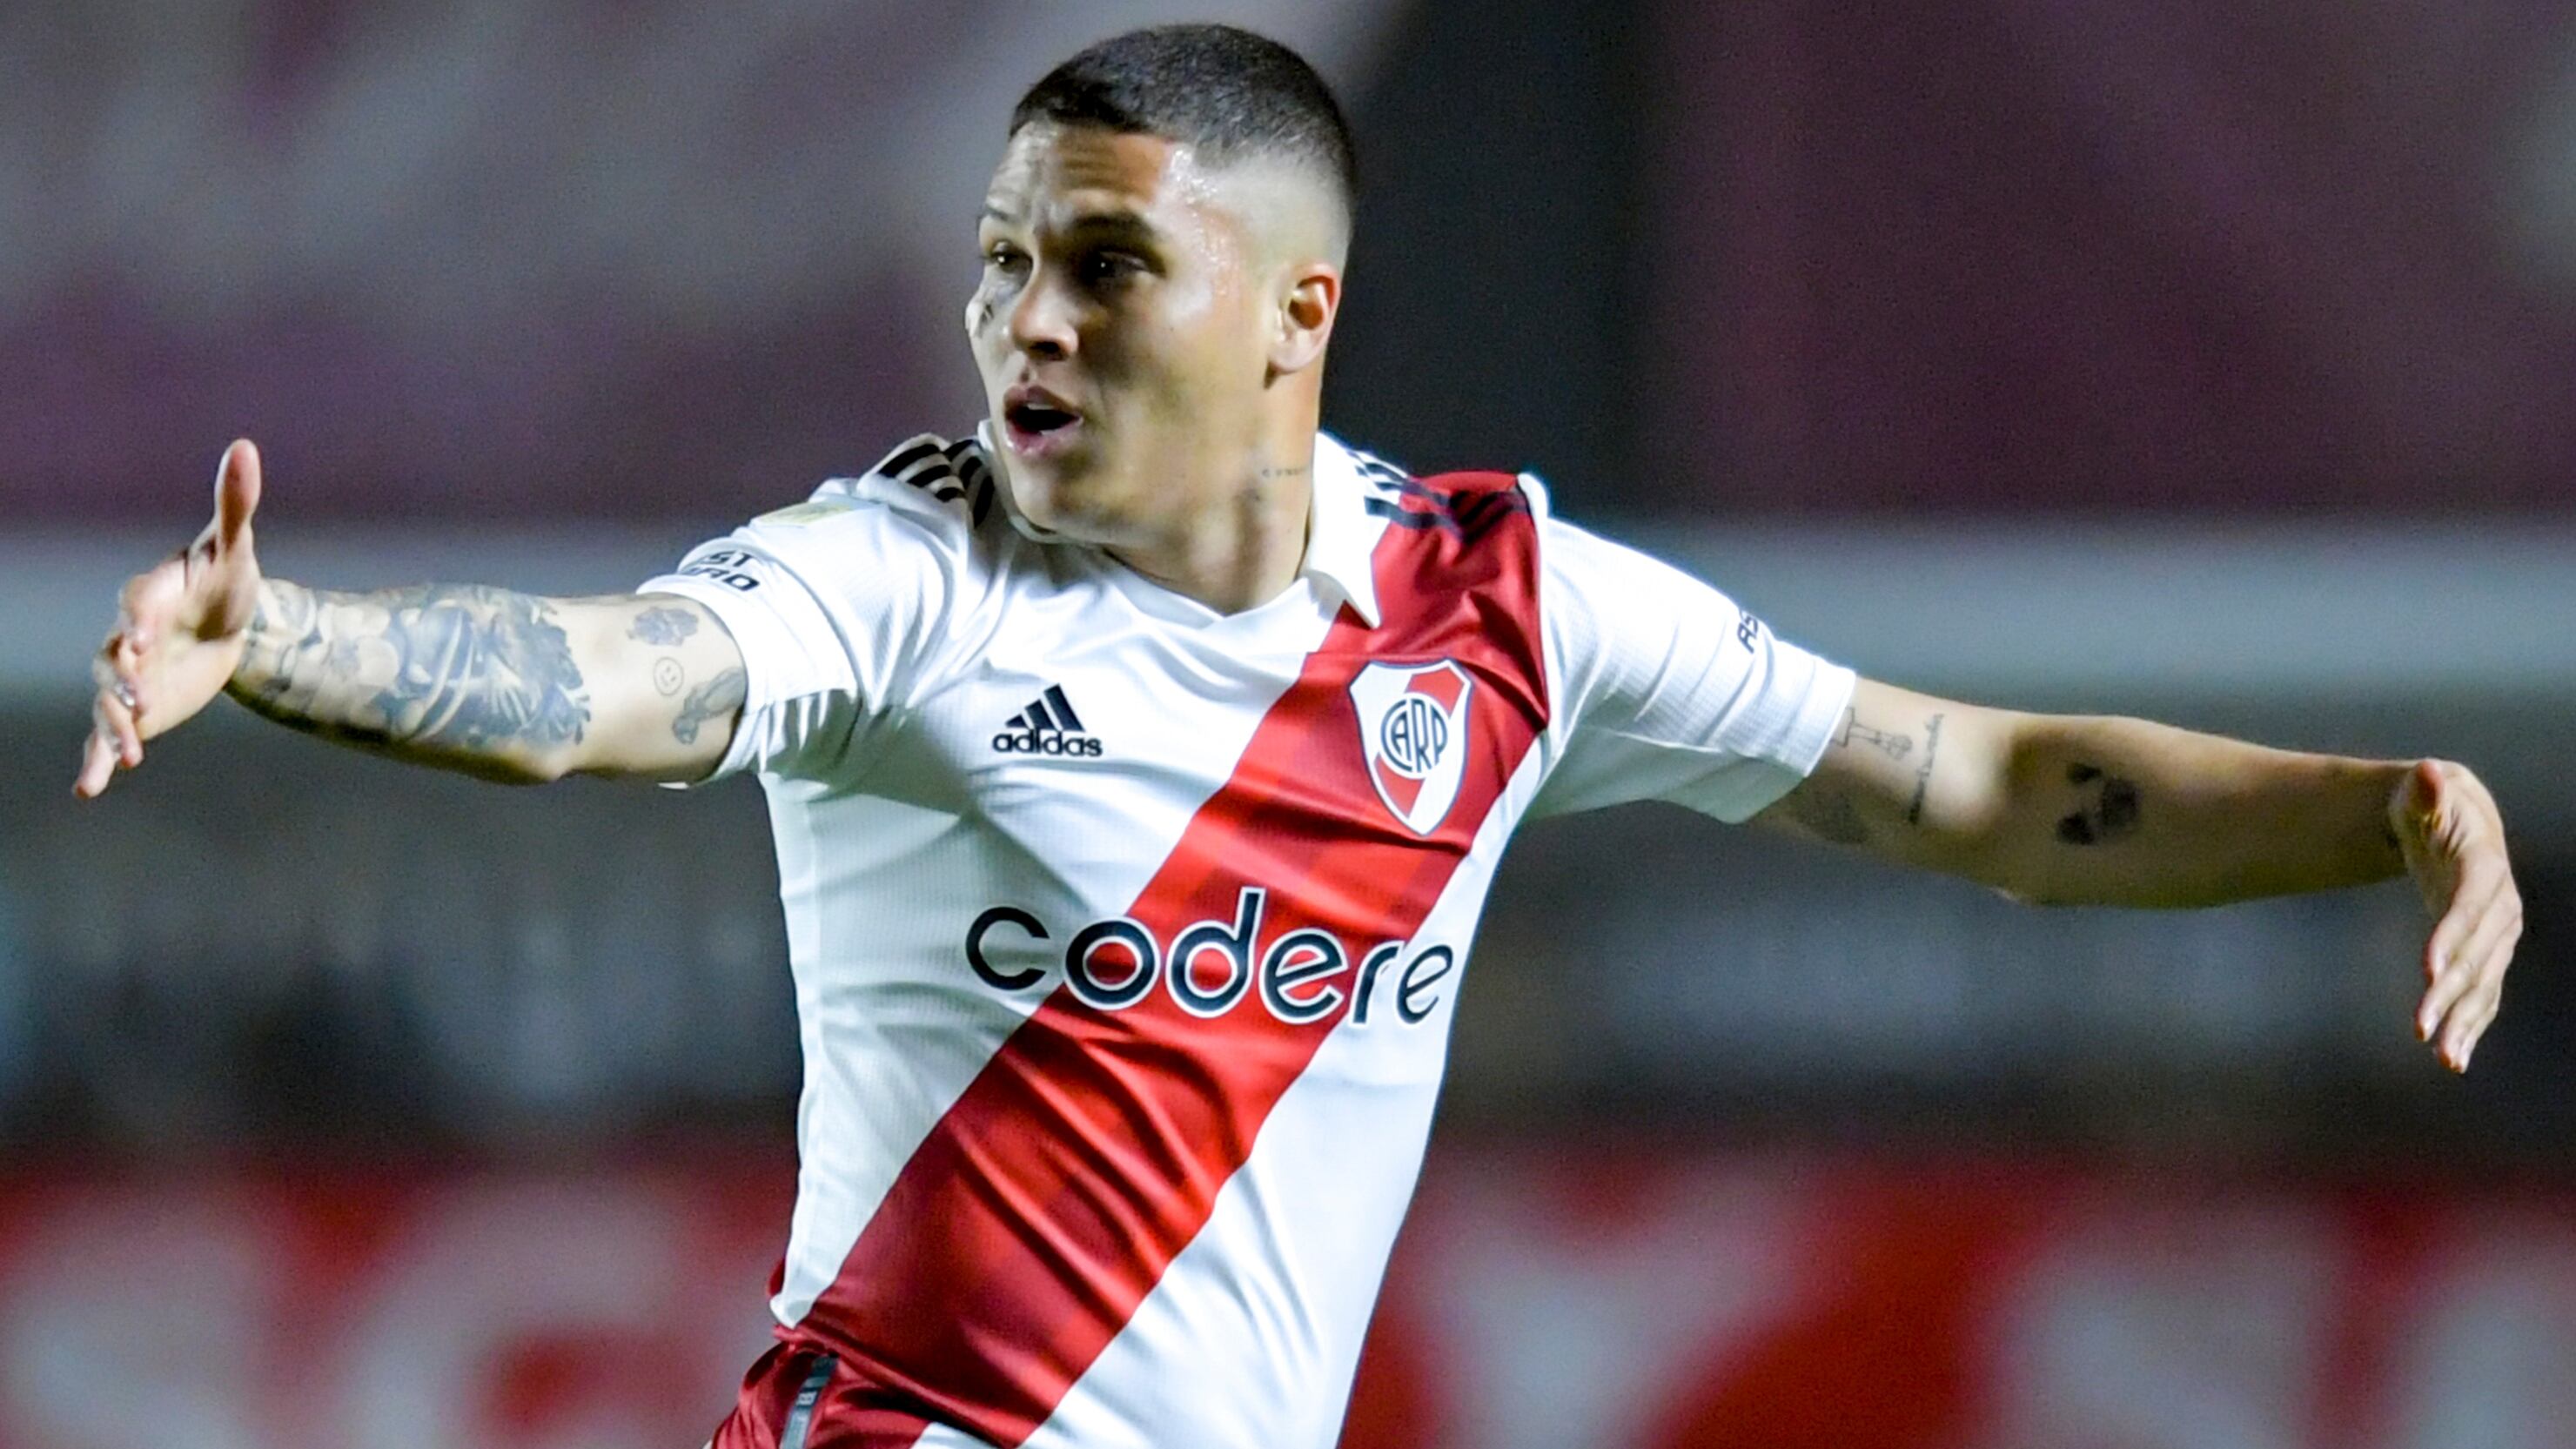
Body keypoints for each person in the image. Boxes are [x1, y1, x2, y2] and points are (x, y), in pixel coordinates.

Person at [75, 23, 2521, 1449]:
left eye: (1107, 264)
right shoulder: (905, 576)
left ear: (1296, 311)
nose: (1026, 324)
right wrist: (285, 638)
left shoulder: (1503, 612)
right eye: (1002, 262)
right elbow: (612, 684)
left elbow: (1977, 786)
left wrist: (2386, 810)